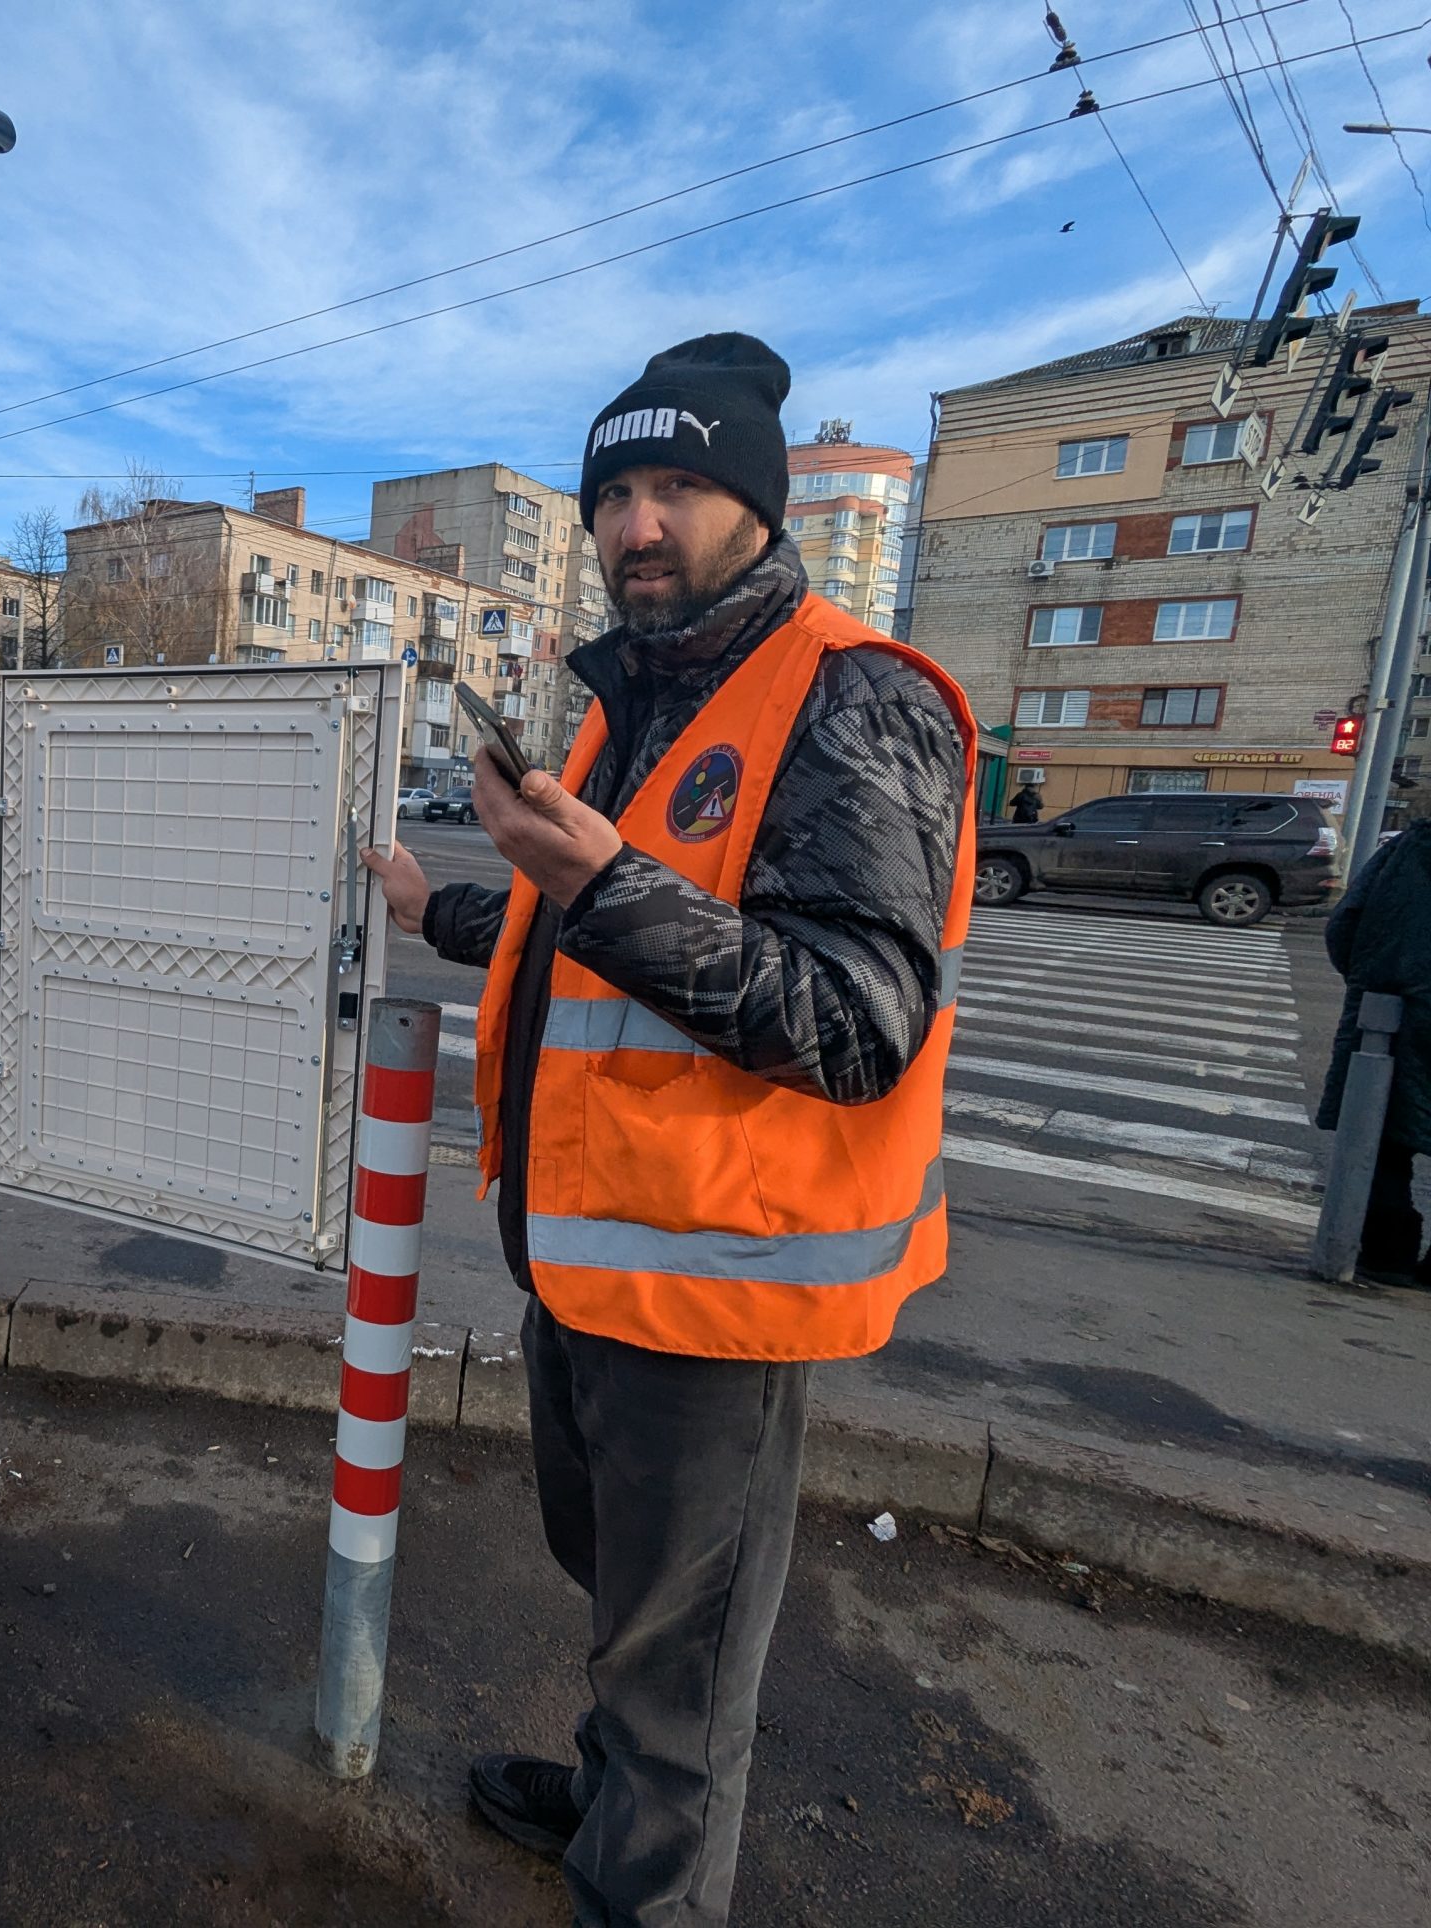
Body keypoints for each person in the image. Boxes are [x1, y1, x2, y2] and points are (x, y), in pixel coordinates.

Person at [364, 333, 971, 1927]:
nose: (641, 523)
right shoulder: (631, 703)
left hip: (722, 1293)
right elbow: (605, 932)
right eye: (616, 491)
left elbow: (852, 1019)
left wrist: (594, 884)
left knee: (684, 1653)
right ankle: (618, 1795)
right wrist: (458, 911)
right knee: (630, 1605)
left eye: (681, 486)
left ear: (758, 509)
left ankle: (648, 1887)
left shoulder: (853, 694)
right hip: (589, 1273)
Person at [1318, 818, 1431, 1288]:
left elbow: (1345, 924)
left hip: (1392, 1013)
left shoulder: (1409, 850)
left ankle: (1387, 1250)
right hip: (1396, 1007)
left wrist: (1374, 980)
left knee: (1380, 1130)